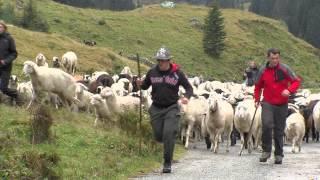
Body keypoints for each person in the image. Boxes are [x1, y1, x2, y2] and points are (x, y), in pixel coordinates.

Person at [137, 46, 193, 173]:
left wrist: (186, 97)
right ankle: (168, 137)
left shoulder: (177, 73)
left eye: (163, 60)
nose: (160, 63)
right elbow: (145, 86)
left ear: (169, 61)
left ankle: (167, 162)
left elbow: (189, 88)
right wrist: (139, 83)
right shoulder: (152, 72)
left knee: (168, 134)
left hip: (172, 107)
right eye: (158, 60)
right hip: (156, 108)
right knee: (158, 135)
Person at [254, 48, 300, 164]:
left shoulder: (285, 69)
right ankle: (266, 151)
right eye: (273, 58)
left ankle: (279, 154)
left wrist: (289, 90)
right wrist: (256, 99)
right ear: (268, 58)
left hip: (282, 104)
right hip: (268, 103)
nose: (275, 60)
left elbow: (296, 81)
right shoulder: (263, 70)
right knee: (267, 125)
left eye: (277, 58)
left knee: (279, 129)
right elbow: (258, 86)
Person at [0, 20, 20, 105]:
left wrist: (5, 61)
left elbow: (14, 53)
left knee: (4, 89)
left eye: (0, 27)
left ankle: (17, 95)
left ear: (4, 28)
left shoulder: (9, 38)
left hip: (5, 68)